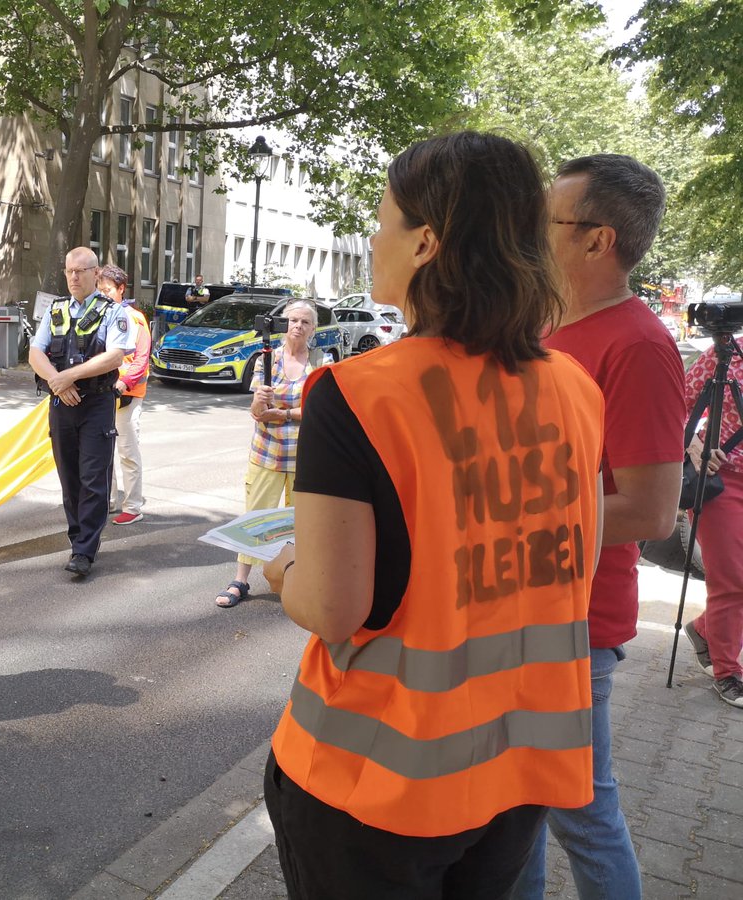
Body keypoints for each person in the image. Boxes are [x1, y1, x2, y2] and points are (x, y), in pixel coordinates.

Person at [261, 131, 605, 898]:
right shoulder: (574, 388)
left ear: (425, 242)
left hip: (374, 783)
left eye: (381, 219)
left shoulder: (356, 393)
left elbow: (332, 607)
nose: (372, 237)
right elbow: (566, 562)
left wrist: (283, 565)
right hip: (517, 767)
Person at [512, 154, 686, 900]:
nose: (529, 231)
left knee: (579, 809)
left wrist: (505, 521)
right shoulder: (540, 323)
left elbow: (651, 510)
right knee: (515, 806)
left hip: (577, 623)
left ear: (596, 241)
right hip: (516, 603)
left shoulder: (640, 345)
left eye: (546, 218)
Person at [28, 246, 134, 577]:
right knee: (69, 478)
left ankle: (84, 549)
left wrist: (68, 377)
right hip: (63, 403)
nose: (74, 276)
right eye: (69, 271)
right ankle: (78, 539)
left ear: (95, 273)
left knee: (92, 478)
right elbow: (35, 352)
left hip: (96, 404)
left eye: (81, 271)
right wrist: (58, 383)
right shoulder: (55, 310)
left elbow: (115, 356)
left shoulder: (113, 312)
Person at [215, 299, 316, 608]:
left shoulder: (319, 363)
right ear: (283, 325)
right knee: (256, 517)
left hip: (304, 457)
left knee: (302, 521)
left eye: (305, 322)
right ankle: (241, 580)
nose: (298, 326)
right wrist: (260, 402)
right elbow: (258, 414)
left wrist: (284, 414)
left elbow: (319, 410)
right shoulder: (267, 359)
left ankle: (300, 581)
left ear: (313, 329)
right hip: (267, 453)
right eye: (293, 320)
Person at [682, 340, 743, 707]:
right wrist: (691, 446)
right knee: (734, 579)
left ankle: (704, 630)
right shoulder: (726, 353)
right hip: (723, 479)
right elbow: (675, 401)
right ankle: (728, 671)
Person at [96, 264, 150, 525]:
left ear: (120, 289)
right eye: (100, 289)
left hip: (127, 393)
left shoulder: (135, 318)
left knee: (127, 451)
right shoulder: (100, 314)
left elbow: (141, 358)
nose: (104, 294)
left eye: (108, 290)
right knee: (104, 451)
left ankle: (133, 505)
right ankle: (107, 500)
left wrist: (124, 383)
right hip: (104, 392)